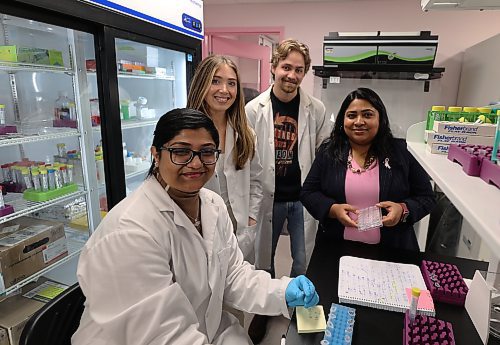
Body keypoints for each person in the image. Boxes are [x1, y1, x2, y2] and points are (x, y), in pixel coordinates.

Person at [72, 108, 319, 345]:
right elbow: (162, 337)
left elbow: (232, 276)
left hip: (207, 330)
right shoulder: (130, 232)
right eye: (181, 152)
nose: (196, 163)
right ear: (155, 155)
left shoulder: (212, 204)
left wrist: (282, 290)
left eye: (207, 152)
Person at [245, 38, 331, 343]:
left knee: (302, 258)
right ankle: (263, 311)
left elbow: (322, 152)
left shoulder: (315, 108)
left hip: (302, 198)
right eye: (286, 67)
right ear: (273, 67)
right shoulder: (254, 109)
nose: (291, 75)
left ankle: (298, 307)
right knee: (263, 260)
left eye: (298, 69)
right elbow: (248, 157)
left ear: (305, 72)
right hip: (268, 197)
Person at [300, 88, 436, 250]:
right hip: (336, 247)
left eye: (367, 115)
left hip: (392, 249)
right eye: (351, 116)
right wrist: (333, 209)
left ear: (380, 119)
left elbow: (427, 197)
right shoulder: (329, 152)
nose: (359, 121)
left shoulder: (403, 152)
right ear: (342, 121)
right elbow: (308, 192)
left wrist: (402, 210)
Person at [186, 55, 262, 262]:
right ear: (202, 84)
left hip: (240, 227)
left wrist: (251, 218)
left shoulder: (245, 134)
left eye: (231, 83)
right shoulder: (184, 133)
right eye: (215, 81)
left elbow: (256, 180)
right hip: (198, 228)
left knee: (239, 287)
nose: (224, 90)